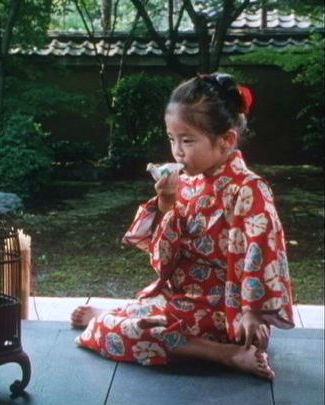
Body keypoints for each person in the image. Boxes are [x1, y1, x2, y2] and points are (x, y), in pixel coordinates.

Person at [70, 73, 294, 380]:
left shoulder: (249, 189)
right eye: (171, 139)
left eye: (187, 140)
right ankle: (120, 318)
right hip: (182, 299)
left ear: (227, 140)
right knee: (130, 326)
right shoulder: (186, 184)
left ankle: (228, 353)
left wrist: (253, 311)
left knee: (128, 331)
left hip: (229, 309)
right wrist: (167, 203)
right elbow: (163, 260)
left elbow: (264, 251)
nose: (177, 151)